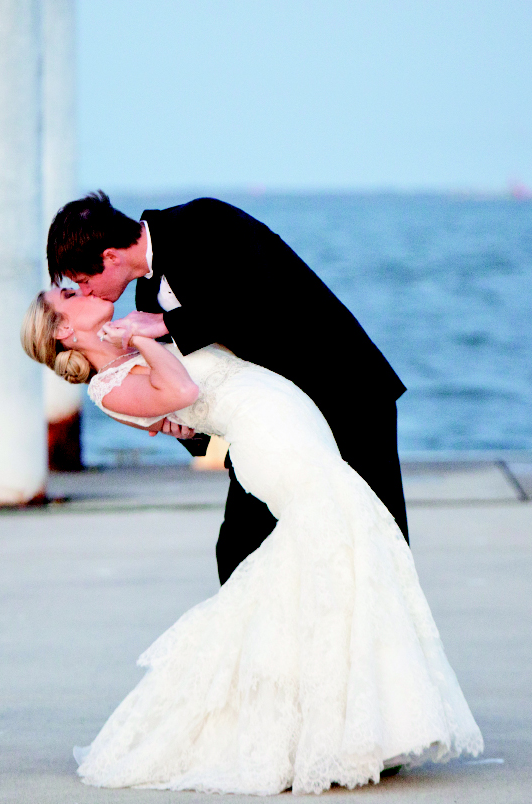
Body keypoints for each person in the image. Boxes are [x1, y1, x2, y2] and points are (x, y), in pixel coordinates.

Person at [21, 289, 483, 795]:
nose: (84, 290)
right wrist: (143, 336)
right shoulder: (107, 387)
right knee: (338, 552)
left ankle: (356, 722)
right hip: (269, 444)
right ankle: (331, 729)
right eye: (69, 294)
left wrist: (146, 333)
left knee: (332, 566)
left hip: (294, 423)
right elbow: (180, 390)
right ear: (64, 329)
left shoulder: (133, 339)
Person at [46, 192, 409, 585]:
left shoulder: (204, 221)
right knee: (239, 551)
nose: (86, 292)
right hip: (268, 425)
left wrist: (166, 325)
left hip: (344, 392)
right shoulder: (146, 297)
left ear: (110, 257)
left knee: (378, 538)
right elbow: (194, 377)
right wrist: (185, 429)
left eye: (83, 281)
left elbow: (259, 295)